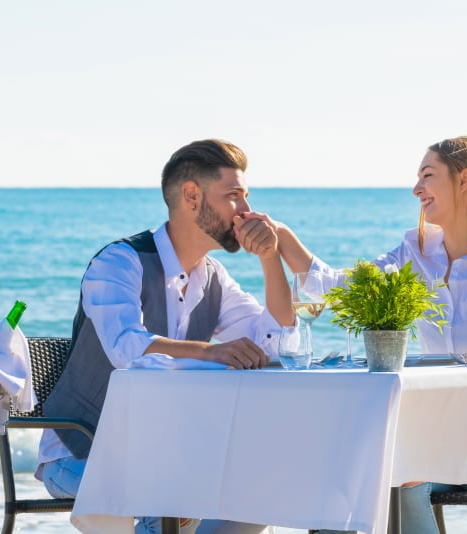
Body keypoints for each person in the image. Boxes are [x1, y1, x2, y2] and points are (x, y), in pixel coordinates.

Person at [253, 135, 467, 533]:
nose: (416, 189)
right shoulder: (415, 247)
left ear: (464, 181)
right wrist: (281, 236)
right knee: (351, 467)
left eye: (427, 176)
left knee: (400, 472)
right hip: (432, 427)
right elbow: (342, 287)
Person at [36, 139, 295, 534]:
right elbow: (128, 348)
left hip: (165, 457)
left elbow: (276, 344)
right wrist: (212, 352)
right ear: (192, 196)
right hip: (80, 455)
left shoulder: (213, 279)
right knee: (172, 495)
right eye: (234, 196)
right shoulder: (119, 261)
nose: (248, 211)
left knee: (263, 493)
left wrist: (270, 259)